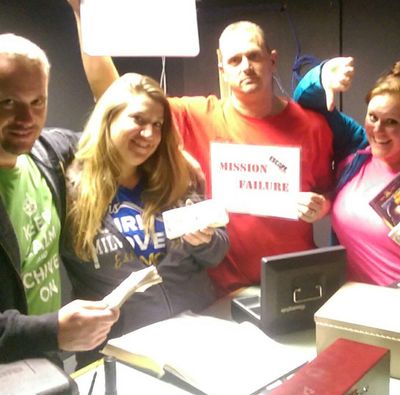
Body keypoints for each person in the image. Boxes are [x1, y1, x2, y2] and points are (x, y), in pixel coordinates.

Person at [67, 0, 365, 295]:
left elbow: (329, 194)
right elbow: (115, 96)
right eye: (235, 60)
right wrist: (83, 15)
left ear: (272, 60)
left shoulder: (312, 126)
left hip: (293, 280)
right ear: (222, 68)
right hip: (222, 289)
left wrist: (322, 206)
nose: (246, 67)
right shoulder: (196, 115)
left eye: (254, 56)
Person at [62, 72, 229, 367]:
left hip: (195, 337)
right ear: (109, 119)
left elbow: (217, 252)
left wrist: (206, 241)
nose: (149, 135)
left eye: (157, 125)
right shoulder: (71, 189)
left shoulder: (175, 175)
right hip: (119, 354)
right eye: (138, 120)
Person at [0, 33, 119, 365]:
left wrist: (176, 153)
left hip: (46, 370)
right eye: (8, 102)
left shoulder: (48, 153)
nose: (27, 119)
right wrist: (50, 331)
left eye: (37, 101)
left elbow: (117, 124)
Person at [294, 57, 400, 286]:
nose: (378, 130)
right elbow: (305, 103)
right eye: (373, 117)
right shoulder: (357, 149)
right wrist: (321, 76)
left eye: (391, 121)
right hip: (349, 300)